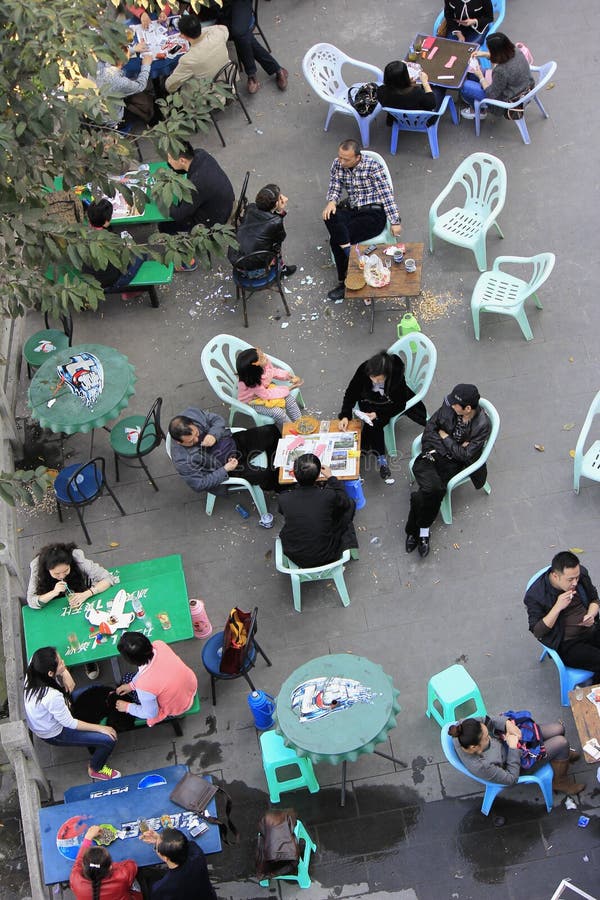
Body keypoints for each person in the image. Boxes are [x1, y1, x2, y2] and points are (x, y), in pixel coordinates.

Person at [405, 384, 490, 558]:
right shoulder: (448, 408)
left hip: (451, 465)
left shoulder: (482, 425)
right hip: (430, 456)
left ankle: (416, 529)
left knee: (427, 493)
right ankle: (423, 531)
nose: (450, 405)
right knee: (435, 490)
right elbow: (429, 431)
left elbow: (465, 455)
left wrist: (445, 436)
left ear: (467, 409)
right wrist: (452, 447)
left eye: (455, 404)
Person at [24, 647, 120, 781]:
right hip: (55, 732)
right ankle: (96, 768)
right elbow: (70, 723)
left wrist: (64, 672)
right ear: (50, 673)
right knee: (109, 739)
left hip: (59, 707)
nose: (63, 661)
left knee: (96, 688)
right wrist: (102, 728)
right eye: (60, 662)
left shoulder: (35, 665)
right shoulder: (51, 696)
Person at [322, 140, 402, 302]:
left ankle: (344, 282)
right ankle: (348, 250)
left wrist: (395, 221)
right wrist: (331, 201)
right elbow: (335, 185)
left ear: (357, 158)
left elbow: (386, 194)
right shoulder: (338, 165)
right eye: (340, 157)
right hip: (353, 209)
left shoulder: (372, 166)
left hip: (373, 214)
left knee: (335, 240)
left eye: (346, 159)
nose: (341, 162)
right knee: (330, 214)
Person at [168, 407, 280, 517]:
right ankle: (276, 485)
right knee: (265, 474)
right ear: (179, 442)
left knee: (271, 431)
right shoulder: (182, 460)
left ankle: (279, 465)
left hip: (233, 442)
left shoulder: (192, 413)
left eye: (197, 434)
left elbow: (218, 420)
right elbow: (199, 484)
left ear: (192, 423)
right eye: (191, 442)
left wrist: (213, 434)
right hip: (224, 468)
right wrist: (225, 469)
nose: (197, 440)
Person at [338, 350, 427, 485]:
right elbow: (351, 392)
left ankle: (375, 455)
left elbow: (399, 404)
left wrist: (378, 414)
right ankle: (381, 459)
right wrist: (345, 415)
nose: (374, 381)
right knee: (372, 424)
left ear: (387, 375)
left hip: (387, 406)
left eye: (379, 379)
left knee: (375, 423)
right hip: (367, 401)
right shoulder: (364, 369)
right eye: (372, 378)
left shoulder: (396, 379)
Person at [449, 713, 584, 794]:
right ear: (474, 747)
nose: (489, 737)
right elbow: (511, 779)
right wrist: (513, 748)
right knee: (562, 743)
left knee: (558, 728)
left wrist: (507, 724)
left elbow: (487, 720)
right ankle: (560, 781)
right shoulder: (482, 766)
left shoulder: (462, 728)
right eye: (485, 738)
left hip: (507, 740)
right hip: (517, 765)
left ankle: (561, 758)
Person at [524, 551, 600, 681]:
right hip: (567, 643)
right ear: (555, 576)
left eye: (577, 577)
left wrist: (591, 615)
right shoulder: (536, 595)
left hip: (590, 629)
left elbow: (594, 599)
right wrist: (557, 607)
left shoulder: (581, 574)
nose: (575, 582)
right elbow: (538, 631)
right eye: (570, 579)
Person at [158, 141, 234, 270]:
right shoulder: (200, 154)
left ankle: (186, 261)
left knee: (165, 225)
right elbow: (181, 171)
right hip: (223, 203)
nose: (168, 161)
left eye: (170, 158)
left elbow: (178, 214)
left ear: (182, 160)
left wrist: (161, 196)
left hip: (213, 219)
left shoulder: (197, 184)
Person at [278, 453, 358, 568]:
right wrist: (331, 477)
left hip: (296, 555)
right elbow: (344, 502)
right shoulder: (328, 495)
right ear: (317, 476)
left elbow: (282, 512)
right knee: (349, 504)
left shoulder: (284, 498)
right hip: (328, 555)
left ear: (294, 475)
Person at [114, 633, 197, 726]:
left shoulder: (143, 685)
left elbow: (151, 713)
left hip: (177, 707)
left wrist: (127, 707)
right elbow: (149, 670)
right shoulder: (159, 645)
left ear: (130, 661)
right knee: (131, 681)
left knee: (126, 678)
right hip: (190, 685)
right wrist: (131, 685)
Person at [210, 0, 288, 95]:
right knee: (241, 34)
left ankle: (252, 75)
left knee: (238, 32)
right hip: (220, 7)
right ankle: (277, 69)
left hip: (240, 3)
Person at [460, 32, 534, 120]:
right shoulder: (515, 50)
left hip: (505, 104)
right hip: (524, 87)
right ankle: (474, 94)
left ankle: (480, 111)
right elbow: (502, 56)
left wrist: (480, 76)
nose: (489, 52)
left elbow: (491, 94)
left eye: (490, 51)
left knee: (464, 85)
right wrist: (484, 54)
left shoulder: (500, 71)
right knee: (472, 74)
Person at [228, 184, 296, 277]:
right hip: (252, 270)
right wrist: (280, 212)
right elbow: (280, 237)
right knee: (276, 247)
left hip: (235, 259)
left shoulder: (251, 207)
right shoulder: (275, 221)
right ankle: (281, 270)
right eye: (280, 198)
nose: (285, 198)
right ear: (276, 204)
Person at [26, 542, 117, 610]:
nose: (62, 576)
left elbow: (107, 578)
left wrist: (86, 594)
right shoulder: (37, 568)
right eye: (56, 573)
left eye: (66, 571)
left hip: (80, 593)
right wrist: (54, 592)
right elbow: (31, 601)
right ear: (47, 569)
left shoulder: (76, 557)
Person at [82, 200, 145, 293]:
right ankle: (133, 291)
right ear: (106, 222)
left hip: (89, 277)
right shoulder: (112, 240)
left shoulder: (81, 235)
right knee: (142, 254)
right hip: (111, 281)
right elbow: (123, 259)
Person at [139, 827, 217, 899]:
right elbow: (186, 843)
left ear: (165, 858)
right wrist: (159, 840)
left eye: (156, 848)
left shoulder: (162, 888)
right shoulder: (197, 854)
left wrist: (159, 842)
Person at [236, 346, 303, 429]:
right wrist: (288, 388)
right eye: (261, 357)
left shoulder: (264, 364)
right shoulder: (253, 383)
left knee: (290, 399)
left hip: (264, 390)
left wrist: (287, 376)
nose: (265, 356)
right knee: (278, 413)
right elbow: (266, 395)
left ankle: (300, 424)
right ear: (256, 369)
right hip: (254, 401)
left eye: (262, 354)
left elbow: (272, 371)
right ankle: (290, 430)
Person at [69, 825, 142, 900]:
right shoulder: (122, 876)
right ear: (110, 866)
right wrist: (115, 865)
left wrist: (88, 837)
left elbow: (78, 862)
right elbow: (132, 864)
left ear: (84, 866)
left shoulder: (75, 879)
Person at [165, 14, 230, 93]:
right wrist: (198, 31)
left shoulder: (188, 59)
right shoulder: (218, 34)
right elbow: (222, 28)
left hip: (205, 94)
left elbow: (170, 86)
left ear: (183, 35)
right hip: (226, 79)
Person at [94, 46, 153, 125]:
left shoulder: (99, 62)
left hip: (95, 109)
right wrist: (146, 65)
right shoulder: (120, 82)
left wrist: (134, 50)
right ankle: (150, 121)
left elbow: (115, 54)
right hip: (110, 118)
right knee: (146, 102)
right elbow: (141, 86)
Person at [376, 60, 441, 126]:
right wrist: (425, 82)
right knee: (438, 89)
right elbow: (432, 104)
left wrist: (408, 84)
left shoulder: (381, 90)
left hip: (397, 119)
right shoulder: (417, 92)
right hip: (421, 121)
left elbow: (398, 94)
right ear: (405, 76)